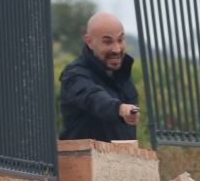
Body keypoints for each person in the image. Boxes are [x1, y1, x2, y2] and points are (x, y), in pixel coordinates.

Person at [58, 12, 141, 142]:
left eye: (120, 40)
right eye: (107, 42)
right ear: (90, 42)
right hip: (83, 160)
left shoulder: (123, 73)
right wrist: (120, 109)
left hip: (124, 159)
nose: (117, 49)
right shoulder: (74, 75)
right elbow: (94, 98)